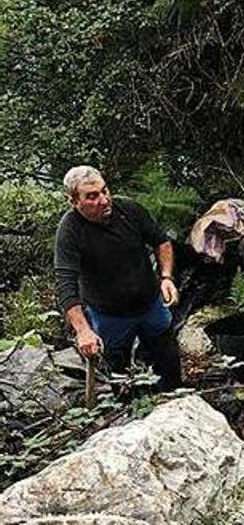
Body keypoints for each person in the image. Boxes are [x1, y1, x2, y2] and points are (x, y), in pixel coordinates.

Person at [55, 166, 183, 391]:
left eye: (105, 191)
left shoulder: (129, 210)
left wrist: (166, 277)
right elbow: (66, 284)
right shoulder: (70, 230)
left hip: (151, 304)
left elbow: (161, 241)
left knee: (169, 360)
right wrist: (83, 330)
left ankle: (176, 400)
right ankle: (129, 415)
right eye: (92, 197)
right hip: (110, 316)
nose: (104, 200)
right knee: (119, 376)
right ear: (74, 201)